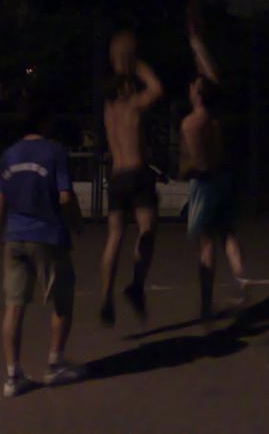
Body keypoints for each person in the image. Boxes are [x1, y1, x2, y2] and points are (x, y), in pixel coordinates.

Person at [0, 99, 84, 397]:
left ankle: (13, 376)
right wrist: (76, 223)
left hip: (14, 237)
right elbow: (65, 197)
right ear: (44, 121)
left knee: (14, 306)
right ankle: (55, 364)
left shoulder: (9, 155)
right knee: (62, 299)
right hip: (47, 235)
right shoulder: (54, 151)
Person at [179, 16, 247, 319]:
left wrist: (184, 170)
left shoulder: (191, 123)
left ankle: (206, 304)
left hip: (205, 183)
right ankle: (242, 281)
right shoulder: (217, 114)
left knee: (207, 244)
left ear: (196, 94)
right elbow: (211, 75)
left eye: (194, 85)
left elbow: (194, 163)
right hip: (225, 178)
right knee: (228, 234)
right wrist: (196, 43)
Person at [99, 30, 163, 326]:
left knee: (114, 237)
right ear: (125, 88)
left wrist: (118, 64)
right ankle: (136, 285)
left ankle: (105, 297)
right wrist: (136, 64)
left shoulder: (108, 110)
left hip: (117, 177)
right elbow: (157, 88)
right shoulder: (133, 105)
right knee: (147, 230)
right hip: (137, 174)